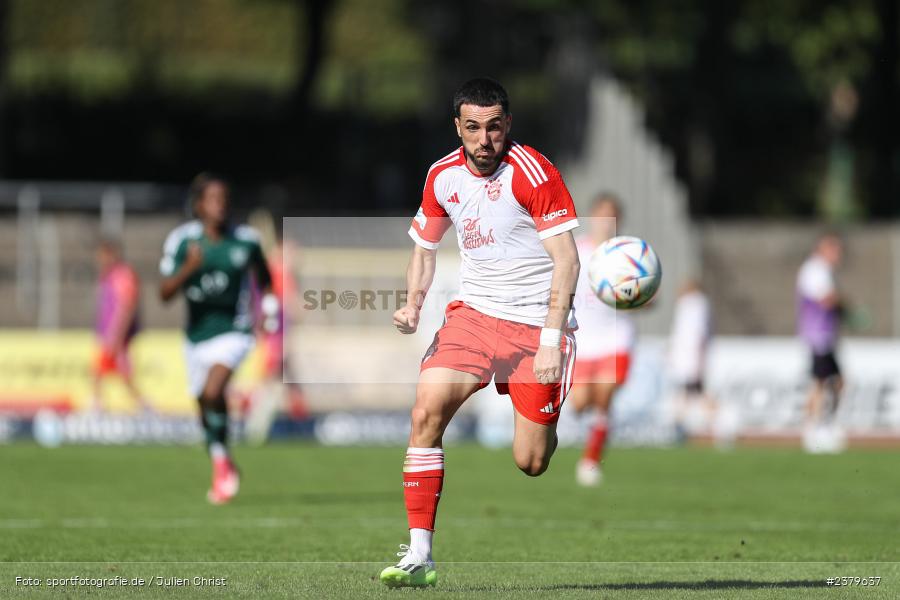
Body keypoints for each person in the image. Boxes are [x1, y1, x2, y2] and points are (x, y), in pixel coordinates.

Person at [380, 78, 580, 588]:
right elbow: (425, 248)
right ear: (458, 128)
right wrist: (412, 305)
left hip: (534, 326)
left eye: (494, 127)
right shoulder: (441, 176)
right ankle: (419, 554)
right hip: (473, 317)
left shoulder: (534, 173)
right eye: (473, 127)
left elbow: (567, 261)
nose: (484, 138)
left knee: (531, 461)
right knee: (426, 410)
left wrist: (552, 341)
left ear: (507, 125)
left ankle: (544, 405)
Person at [159, 173, 277, 504]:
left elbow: (266, 279)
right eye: (213, 199)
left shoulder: (246, 240)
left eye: (224, 198)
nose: (220, 205)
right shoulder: (182, 241)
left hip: (235, 330)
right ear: (199, 205)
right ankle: (221, 458)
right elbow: (164, 293)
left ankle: (222, 462)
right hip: (196, 336)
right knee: (203, 400)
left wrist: (268, 308)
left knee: (214, 390)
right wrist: (189, 267)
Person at [569, 194, 635, 486]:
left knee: (604, 397)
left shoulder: (628, 254)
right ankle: (593, 437)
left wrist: (637, 297)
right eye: (602, 215)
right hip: (584, 338)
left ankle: (591, 459)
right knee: (580, 403)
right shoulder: (578, 251)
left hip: (615, 337)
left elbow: (648, 295)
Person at [796, 233, 845, 453]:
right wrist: (846, 307)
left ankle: (823, 425)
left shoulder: (821, 270)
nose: (838, 256)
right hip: (817, 335)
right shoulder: (815, 269)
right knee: (819, 382)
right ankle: (813, 429)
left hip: (825, 335)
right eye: (835, 251)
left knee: (836, 381)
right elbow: (826, 299)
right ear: (825, 249)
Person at [92, 238, 150, 413]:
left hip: (117, 335)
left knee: (120, 372)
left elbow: (126, 306)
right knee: (101, 370)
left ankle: (143, 405)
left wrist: (116, 334)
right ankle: (98, 403)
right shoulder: (108, 276)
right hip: (109, 333)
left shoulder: (122, 275)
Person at [668, 279, 715, 439]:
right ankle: (678, 426)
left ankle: (717, 423)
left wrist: (696, 358)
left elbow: (696, 333)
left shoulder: (695, 305)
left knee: (693, 391)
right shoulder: (690, 305)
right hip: (686, 358)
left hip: (690, 359)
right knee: (688, 392)